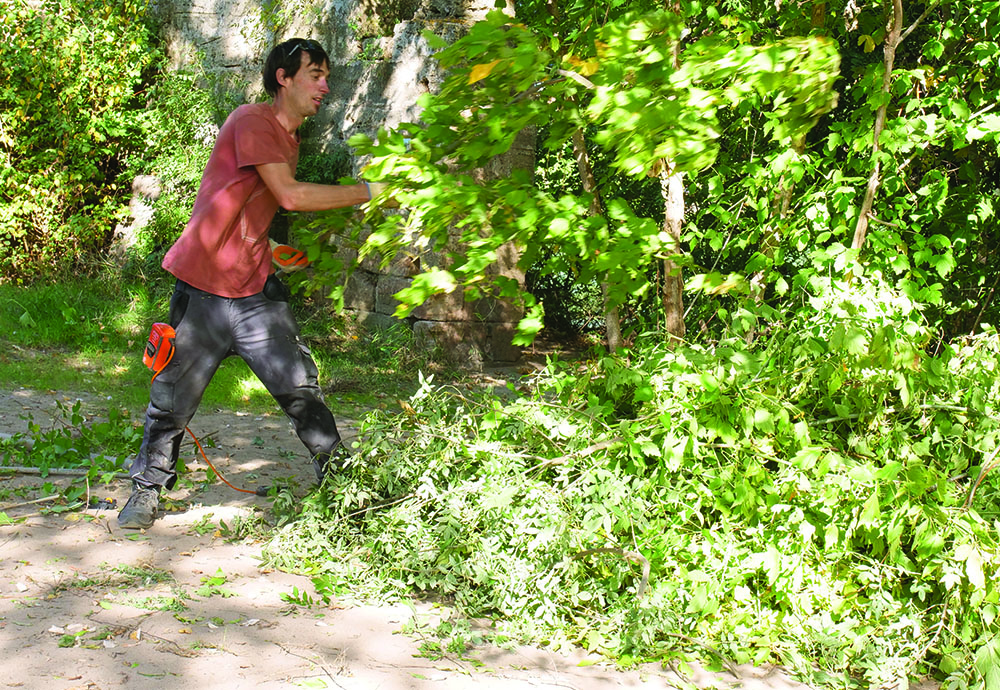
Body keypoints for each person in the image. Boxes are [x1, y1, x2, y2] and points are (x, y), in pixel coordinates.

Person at [118, 38, 387, 529]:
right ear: (283, 77)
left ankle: (345, 483)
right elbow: (288, 195)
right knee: (172, 397)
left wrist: (267, 247)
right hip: (204, 288)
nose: (324, 86)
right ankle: (146, 488)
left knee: (300, 387)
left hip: (254, 289)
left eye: (326, 76)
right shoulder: (252, 119)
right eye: (315, 75)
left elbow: (253, 202)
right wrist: (367, 191)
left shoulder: (289, 135)